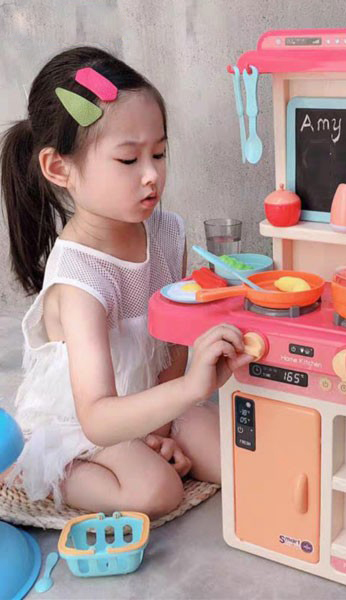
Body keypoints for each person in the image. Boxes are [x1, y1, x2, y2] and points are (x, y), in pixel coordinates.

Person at [0, 46, 253, 518]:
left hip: (149, 400)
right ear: (59, 169)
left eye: (159, 153)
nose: (152, 175)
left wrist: (162, 423)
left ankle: (150, 444)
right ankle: (33, 467)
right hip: (84, 422)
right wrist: (186, 394)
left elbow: (172, 347)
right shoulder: (80, 279)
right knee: (156, 491)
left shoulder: (167, 233)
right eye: (128, 160)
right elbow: (97, 417)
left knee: (241, 457)